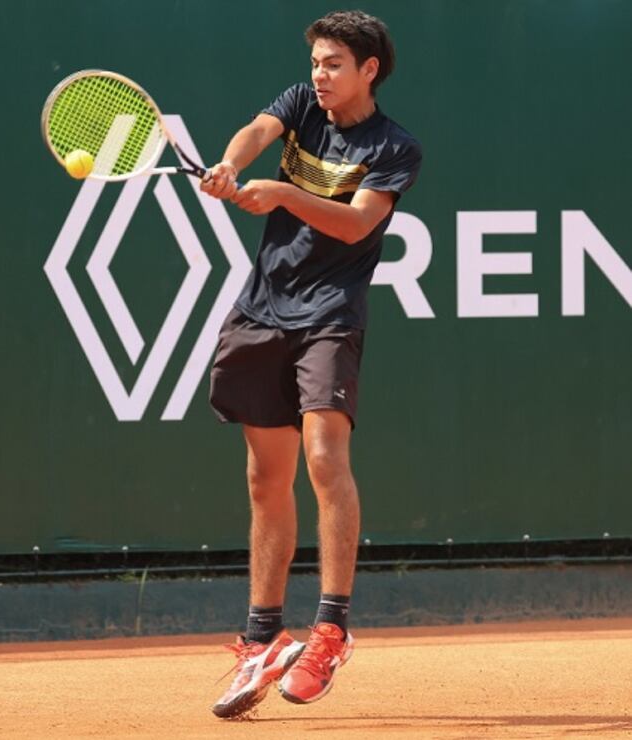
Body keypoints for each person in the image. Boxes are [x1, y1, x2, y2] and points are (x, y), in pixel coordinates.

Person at [202, 10, 422, 719]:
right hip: (262, 310)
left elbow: (358, 222)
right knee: (266, 476)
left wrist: (284, 194)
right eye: (316, 63)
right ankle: (262, 637)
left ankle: (331, 628)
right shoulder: (300, 106)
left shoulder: (395, 147)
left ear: (370, 70)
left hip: (331, 315)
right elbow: (257, 132)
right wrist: (235, 164)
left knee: (325, 458)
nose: (319, 76)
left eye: (334, 64)